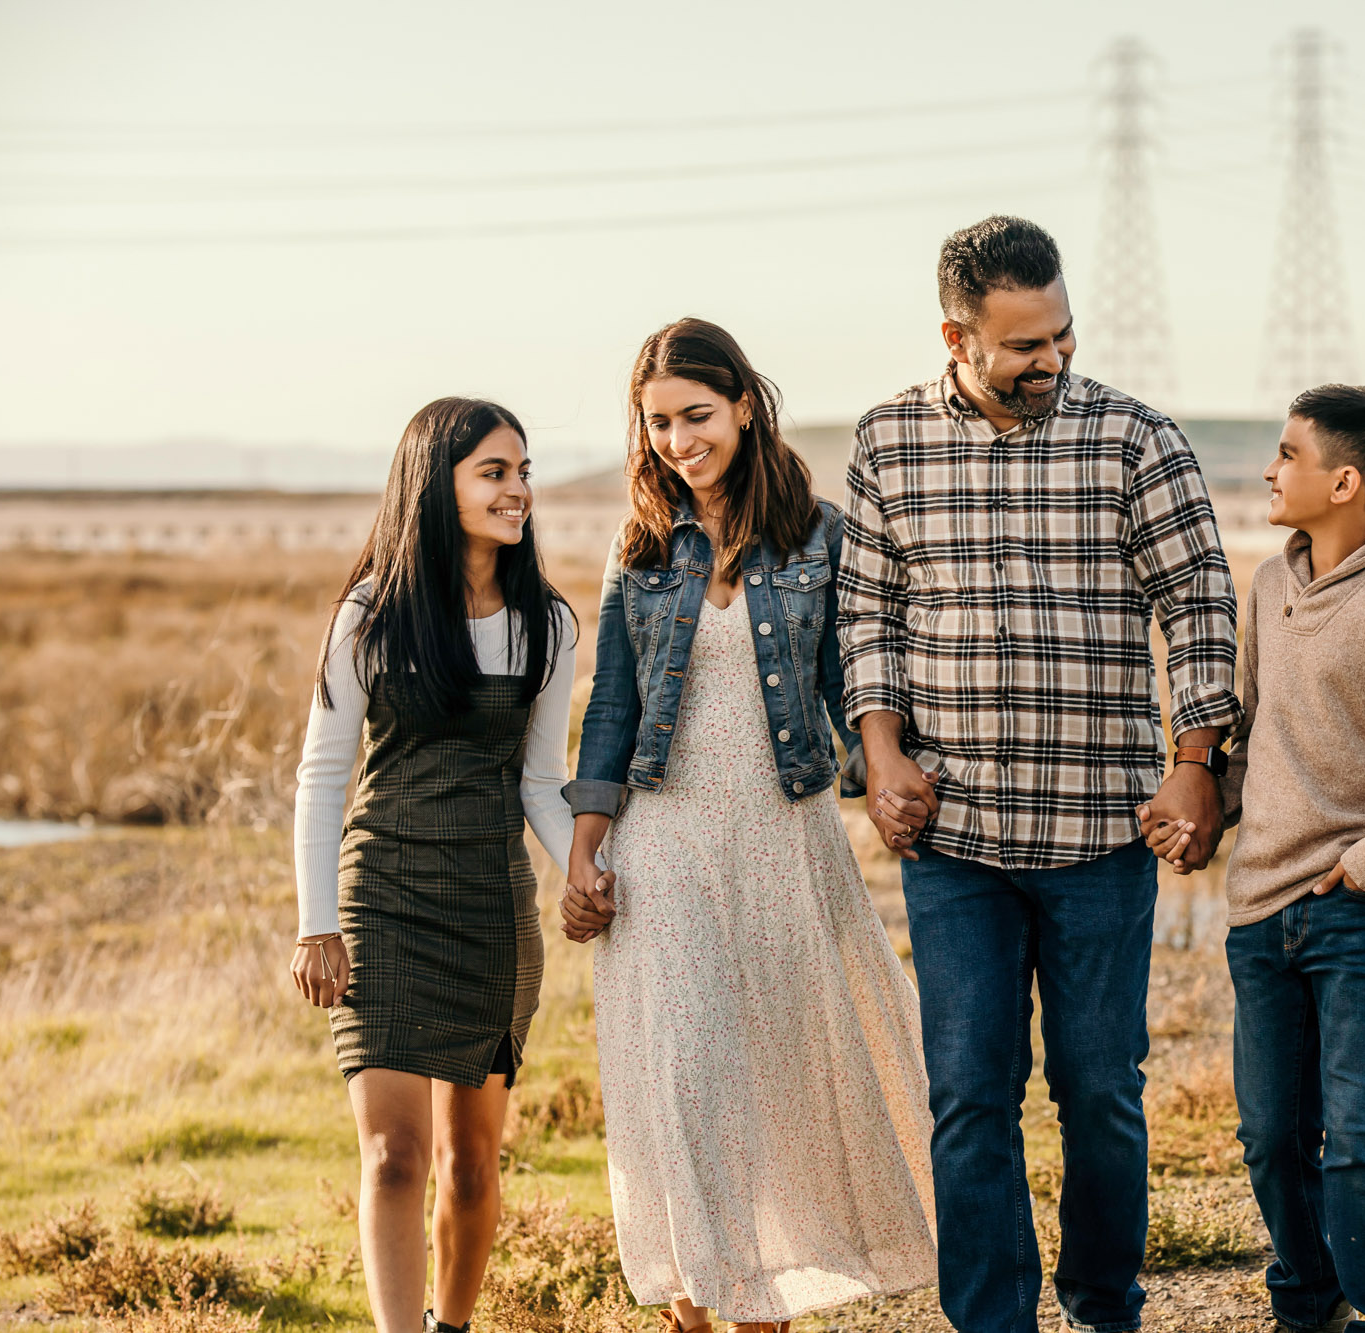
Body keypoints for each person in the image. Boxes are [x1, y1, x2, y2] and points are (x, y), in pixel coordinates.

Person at [838, 215, 1240, 1333]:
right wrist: (880, 753)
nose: (1048, 361)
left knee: (1099, 1090)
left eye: (1059, 335)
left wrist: (1194, 763)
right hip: (951, 837)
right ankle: (992, 1320)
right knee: (968, 1095)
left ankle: (1104, 1306)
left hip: (1098, 835)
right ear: (955, 335)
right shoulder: (886, 441)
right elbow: (865, 611)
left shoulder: (1134, 439)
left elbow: (1199, 602)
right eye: (1021, 345)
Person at [559, 318, 936, 1333]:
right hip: (664, 838)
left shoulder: (819, 535)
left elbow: (844, 686)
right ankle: (699, 1302)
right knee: (685, 1080)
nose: (679, 442)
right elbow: (610, 707)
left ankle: (760, 1306)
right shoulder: (638, 548)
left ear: (743, 406)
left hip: (782, 836)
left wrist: (887, 778)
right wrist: (585, 846)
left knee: (768, 1084)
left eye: (695, 416)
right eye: (658, 425)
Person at [1152, 385, 1365, 1333]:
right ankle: (1309, 1304)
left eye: (1289, 454)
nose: (1270, 468)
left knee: (1364, 1141)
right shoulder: (1268, 585)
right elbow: (1256, 734)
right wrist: (1205, 811)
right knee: (1269, 1139)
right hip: (1260, 913)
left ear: (1345, 481)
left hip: (1362, 915)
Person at [289, 398, 578, 1333]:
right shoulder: (371, 611)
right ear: (436, 479)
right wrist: (316, 919)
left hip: (493, 913)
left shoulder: (549, 624)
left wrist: (586, 872)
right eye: (494, 472)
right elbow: (324, 774)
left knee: (471, 1164)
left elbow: (543, 784)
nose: (518, 490)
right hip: (384, 906)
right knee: (392, 1157)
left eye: (523, 471)